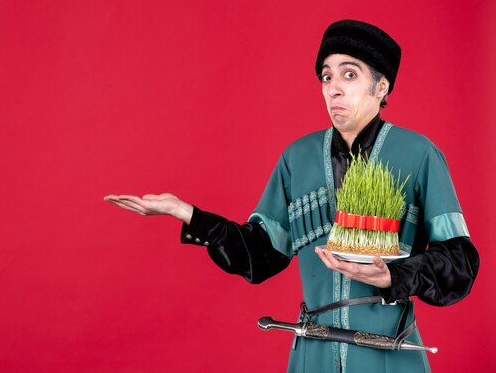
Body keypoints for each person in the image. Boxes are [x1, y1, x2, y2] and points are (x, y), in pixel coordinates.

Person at [104, 19, 479, 373]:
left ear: (381, 87)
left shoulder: (417, 154)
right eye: (326, 76)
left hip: (388, 351)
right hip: (313, 350)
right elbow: (260, 255)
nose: (334, 87)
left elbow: (459, 263)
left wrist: (392, 275)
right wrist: (187, 213)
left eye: (350, 74)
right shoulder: (296, 158)